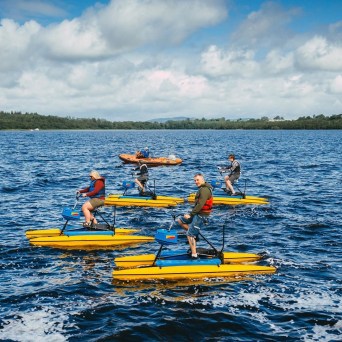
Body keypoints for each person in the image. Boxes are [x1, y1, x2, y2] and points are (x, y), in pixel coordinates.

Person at [177, 173, 213, 259]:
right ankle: (195, 236)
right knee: (180, 221)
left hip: (201, 215)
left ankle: (194, 255)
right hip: (197, 213)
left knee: (189, 235)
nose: (196, 182)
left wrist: (190, 215)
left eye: (198, 180)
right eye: (195, 180)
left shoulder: (204, 190)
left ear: (202, 179)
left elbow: (200, 204)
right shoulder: (202, 188)